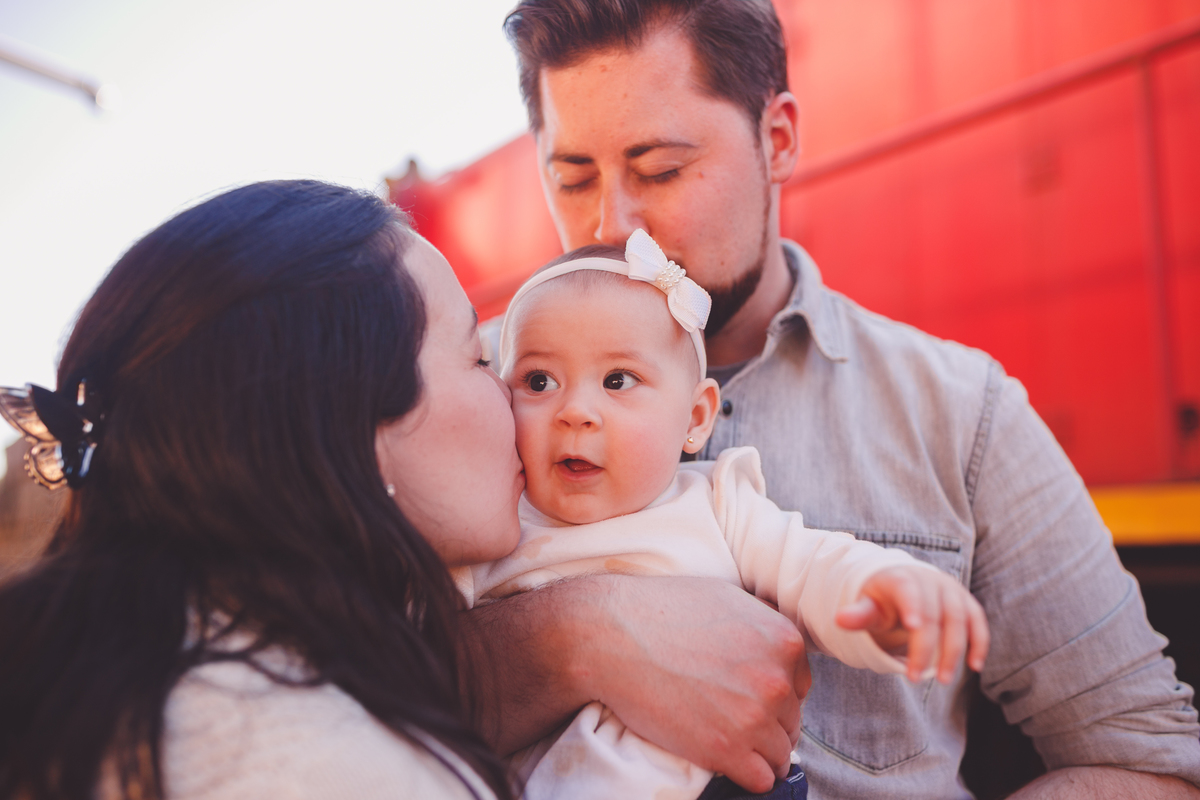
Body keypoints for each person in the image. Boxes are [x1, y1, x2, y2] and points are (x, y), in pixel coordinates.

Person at [462, 1, 1200, 797]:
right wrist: (575, 635)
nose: (613, 227)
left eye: (661, 170)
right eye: (572, 178)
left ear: (776, 139)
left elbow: (1146, 759)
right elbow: (331, 678)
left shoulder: (962, 411)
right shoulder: (468, 387)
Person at [0, 180, 525, 800]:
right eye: (479, 359)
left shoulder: (102, 680)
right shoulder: (335, 768)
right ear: (353, 432)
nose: (515, 391)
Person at [458, 230, 989, 800]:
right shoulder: (493, 526)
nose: (576, 412)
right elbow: (412, 656)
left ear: (696, 417)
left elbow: (812, 566)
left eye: (618, 380)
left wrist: (881, 592)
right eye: (539, 381)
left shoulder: (716, 503)